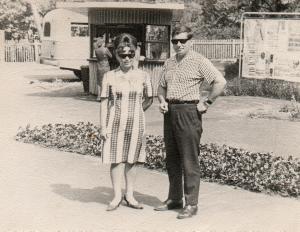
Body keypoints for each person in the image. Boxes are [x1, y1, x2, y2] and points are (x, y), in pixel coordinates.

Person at [154, 25, 226, 219]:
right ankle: (174, 199)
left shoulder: (199, 61)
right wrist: (161, 101)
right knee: (172, 158)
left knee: (189, 160)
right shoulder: (168, 62)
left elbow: (220, 81)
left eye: (182, 41)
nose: (178, 44)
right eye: (175, 41)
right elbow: (161, 89)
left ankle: (191, 203)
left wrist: (207, 101)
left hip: (189, 111)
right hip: (170, 111)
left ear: (190, 42)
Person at [99, 33, 153, 211]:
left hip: (137, 124)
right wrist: (103, 126)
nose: (127, 58)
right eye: (123, 55)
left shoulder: (144, 76)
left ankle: (129, 195)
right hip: (114, 124)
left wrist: (136, 112)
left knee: (133, 159)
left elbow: (149, 99)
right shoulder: (109, 76)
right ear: (116, 55)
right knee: (116, 159)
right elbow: (105, 102)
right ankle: (116, 196)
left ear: (136, 53)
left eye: (130, 54)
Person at [94, 37, 112, 101]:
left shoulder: (96, 50)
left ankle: (98, 96)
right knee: (106, 81)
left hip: (99, 66)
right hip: (106, 66)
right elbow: (111, 56)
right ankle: (105, 95)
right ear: (102, 43)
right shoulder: (105, 49)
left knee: (99, 82)